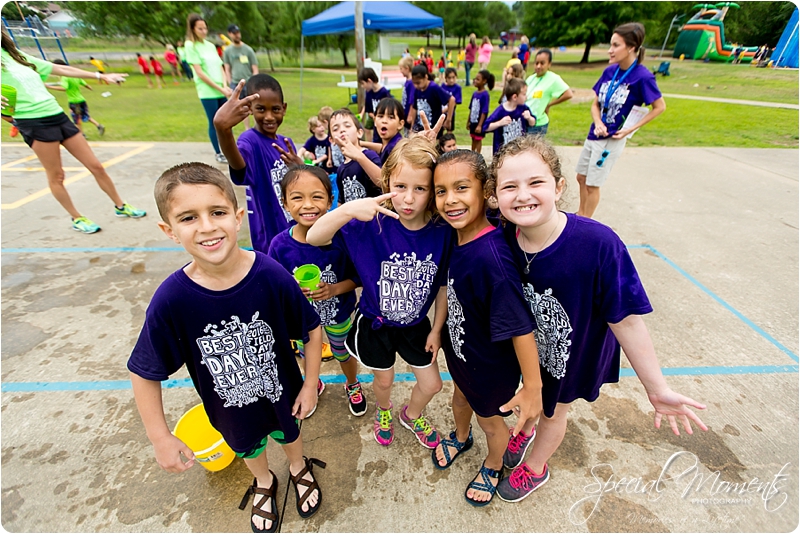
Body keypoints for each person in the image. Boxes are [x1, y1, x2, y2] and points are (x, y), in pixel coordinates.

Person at [487, 134, 707, 503]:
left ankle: (536, 467)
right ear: (496, 196)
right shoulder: (502, 237)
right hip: (527, 353)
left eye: (535, 183)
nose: (523, 195)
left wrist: (656, 388)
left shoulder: (599, 244)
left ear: (558, 187)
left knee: (554, 413)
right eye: (510, 186)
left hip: (572, 355)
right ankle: (524, 429)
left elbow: (628, 320)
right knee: (529, 397)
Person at [128, 162, 325, 533]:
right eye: (188, 217)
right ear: (169, 231)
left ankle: (299, 468)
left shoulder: (270, 274)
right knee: (247, 447)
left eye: (217, 212)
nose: (206, 226)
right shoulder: (171, 299)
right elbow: (144, 370)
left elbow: (311, 328)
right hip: (229, 408)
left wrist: (310, 382)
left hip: (283, 394)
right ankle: (265, 482)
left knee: (291, 435)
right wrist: (160, 437)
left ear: (237, 217)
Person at [307, 136, 452, 450]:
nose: (409, 199)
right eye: (400, 186)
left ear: (433, 191)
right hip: (375, 325)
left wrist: (438, 330)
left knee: (432, 384)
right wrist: (347, 209)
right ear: (386, 182)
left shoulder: (442, 232)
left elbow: (442, 287)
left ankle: (411, 415)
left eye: (421, 188)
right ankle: (384, 411)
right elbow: (315, 236)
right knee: (383, 381)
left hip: (417, 327)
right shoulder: (369, 224)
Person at [432, 149, 542, 506]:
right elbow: (450, 287)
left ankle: (494, 464)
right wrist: (438, 330)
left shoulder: (492, 259)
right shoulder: (457, 237)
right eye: (441, 190)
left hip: (492, 369)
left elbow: (520, 327)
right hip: (464, 355)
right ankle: (461, 436)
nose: (450, 200)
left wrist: (532, 387)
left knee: (492, 423)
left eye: (461, 188)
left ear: (486, 191)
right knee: (459, 399)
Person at [0, 28, 145, 234]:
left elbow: (63, 70)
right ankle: (77, 218)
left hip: (56, 114)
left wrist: (100, 76)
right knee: (57, 175)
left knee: (96, 166)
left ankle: (121, 206)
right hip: (33, 122)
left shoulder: (17, 56)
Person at [267, 165, 367, 417]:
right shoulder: (279, 245)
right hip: (301, 318)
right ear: (285, 203)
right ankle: (313, 382)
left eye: (317, 196)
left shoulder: (341, 239)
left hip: (338, 313)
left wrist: (334, 289)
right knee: (305, 350)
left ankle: (352, 382)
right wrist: (291, 290)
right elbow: (274, 285)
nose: (308, 205)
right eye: (297, 197)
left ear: (331, 201)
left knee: (341, 350)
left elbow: (358, 278)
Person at [576, 22, 665, 219]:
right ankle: (581, 214)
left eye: (616, 45)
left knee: (592, 184)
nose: (610, 50)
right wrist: (598, 122)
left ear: (631, 47)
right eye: (610, 45)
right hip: (595, 133)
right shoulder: (610, 71)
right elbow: (595, 103)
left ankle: (585, 222)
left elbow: (659, 107)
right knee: (581, 177)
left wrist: (629, 129)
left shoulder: (643, 77)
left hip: (612, 139)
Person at [214, 77, 300, 253]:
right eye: (261, 109)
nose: (269, 117)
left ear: (283, 109)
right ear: (250, 109)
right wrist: (223, 130)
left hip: (293, 229)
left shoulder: (286, 142)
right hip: (270, 237)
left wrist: (300, 167)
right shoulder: (250, 141)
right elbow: (238, 164)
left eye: (275, 109)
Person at [184, 13, 233, 164]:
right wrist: (219, 89)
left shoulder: (210, 46)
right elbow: (199, 72)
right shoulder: (190, 46)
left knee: (227, 121)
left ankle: (230, 149)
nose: (204, 31)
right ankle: (218, 152)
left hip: (221, 89)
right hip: (207, 91)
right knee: (214, 121)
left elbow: (220, 66)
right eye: (200, 28)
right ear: (193, 29)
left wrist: (225, 86)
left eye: (205, 28)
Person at [329, 108, 382, 204]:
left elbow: (382, 182)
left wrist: (359, 157)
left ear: (359, 133)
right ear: (332, 140)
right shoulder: (341, 169)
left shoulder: (369, 155)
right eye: (336, 129)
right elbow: (341, 201)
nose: (342, 130)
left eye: (347, 126)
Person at [47, 59, 105, 137]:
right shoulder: (73, 74)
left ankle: (82, 134)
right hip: (81, 100)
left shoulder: (65, 77)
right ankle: (98, 126)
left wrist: (49, 87)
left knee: (77, 118)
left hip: (74, 101)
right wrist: (89, 87)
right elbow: (84, 83)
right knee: (84, 115)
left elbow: (64, 88)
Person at [524, 48, 573, 137]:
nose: (538, 66)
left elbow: (568, 94)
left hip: (538, 125)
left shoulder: (553, 79)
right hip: (525, 121)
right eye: (536, 63)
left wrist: (549, 104)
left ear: (549, 64)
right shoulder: (531, 78)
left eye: (542, 63)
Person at [485, 78, 535, 155]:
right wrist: (499, 123)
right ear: (515, 97)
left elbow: (533, 123)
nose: (526, 97)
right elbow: (485, 127)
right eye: (524, 94)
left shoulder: (523, 108)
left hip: (520, 151)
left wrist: (529, 118)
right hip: (502, 154)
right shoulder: (500, 111)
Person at [223, 24, 259, 130]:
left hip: (249, 82)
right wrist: (230, 83)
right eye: (234, 33)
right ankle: (247, 128)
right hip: (236, 83)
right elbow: (227, 68)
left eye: (238, 33)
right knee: (242, 107)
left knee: (254, 105)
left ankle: (257, 127)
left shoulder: (248, 50)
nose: (237, 35)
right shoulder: (227, 51)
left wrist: (255, 81)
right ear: (229, 34)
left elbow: (255, 68)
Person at [407, 65, 455, 135]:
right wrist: (412, 126)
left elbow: (451, 100)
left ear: (426, 77)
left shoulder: (434, 88)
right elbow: (415, 108)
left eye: (418, 83)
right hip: (420, 128)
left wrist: (448, 120)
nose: (416, 86)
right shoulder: (417, 90)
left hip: (433, 129)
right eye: (414, 83)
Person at [358, 67, 391, 143]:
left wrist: (380, 118)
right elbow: (369, 110)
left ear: (369, 81)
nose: (362, 86)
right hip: (375, 119)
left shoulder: (384, 92)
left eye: (363, 83)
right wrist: (375, 117)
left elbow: (390, 109)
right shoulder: (368, 93)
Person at [466, 69, 494, 154]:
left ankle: (478, 155)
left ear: (484, 81)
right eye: (475, 78)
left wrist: (480, 125)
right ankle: (472, 154)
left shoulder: (485, 95)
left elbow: (484, 111)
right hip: (473, 121)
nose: (475, 81)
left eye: (478, 79)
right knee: (473, 138)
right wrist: (468, 121)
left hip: (479, 122)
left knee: (478, 139)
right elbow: (471, 108)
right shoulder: (475, 93)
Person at [398, 56, 415, 134]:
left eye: (401, 69)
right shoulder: (407, 81)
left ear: (407, 68)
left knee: (409, 134)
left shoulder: (411, 83)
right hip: (405, 112)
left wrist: (410, 115)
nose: (400, 71)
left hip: (409, 113)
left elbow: (412, 100)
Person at [442, 67, 462, 133]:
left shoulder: (457, 88)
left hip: (450, 114)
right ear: (445, 78)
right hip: (441, 114)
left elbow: (455, 103)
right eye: (449, 78)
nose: (451, 80)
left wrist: (444, 110)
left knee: (449, 131)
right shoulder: (442, 87)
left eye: (453, 77)